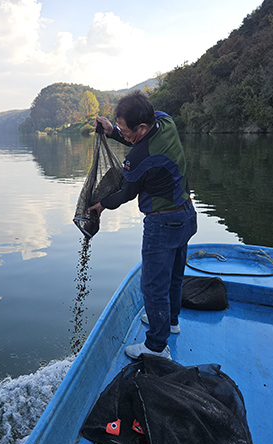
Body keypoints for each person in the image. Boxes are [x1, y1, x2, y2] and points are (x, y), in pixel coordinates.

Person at [89, 91, 197, 360]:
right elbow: (138, 139)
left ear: (143, 127)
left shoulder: (138, 158)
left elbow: (125, 194)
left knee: (152, 286)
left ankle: (156, 347)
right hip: (186, 216)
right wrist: (112, 130)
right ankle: (171, 321)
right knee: (174, 275)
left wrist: (100, 205)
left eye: (125, 131)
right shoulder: (166, 121)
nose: (123, 135)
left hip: (162, 224)